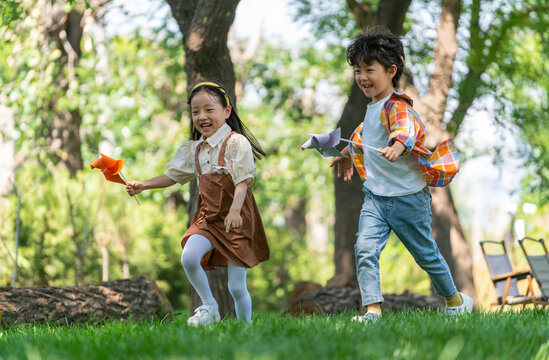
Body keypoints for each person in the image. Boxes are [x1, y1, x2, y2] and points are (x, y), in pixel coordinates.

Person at [330, 28, 473, 324]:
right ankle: (372, 310)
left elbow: (406, 128)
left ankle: (456, 301)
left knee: (426, 255)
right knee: (365, 249)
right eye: (358, 70)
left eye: (370, 70)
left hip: (408, 198)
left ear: (391, 71)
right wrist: (345, 156)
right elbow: (361, 138)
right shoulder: (371, 109)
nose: (362, 77)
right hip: (376, 198)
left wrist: (398, 145)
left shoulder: (397, 105)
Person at [126, 82, 269, 326]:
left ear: (226, 111)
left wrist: (235, 213)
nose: (201, 116)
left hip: (236, 218)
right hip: (209, 219)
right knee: (189, 257)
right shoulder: (194, 150)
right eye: (195, 111)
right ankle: (210, 306)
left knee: (236, 286)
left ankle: (246, 330)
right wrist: (144, 185)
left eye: (208, 110)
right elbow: (173, 176)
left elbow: (243, 182)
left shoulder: (236, 143)